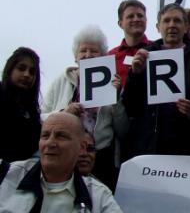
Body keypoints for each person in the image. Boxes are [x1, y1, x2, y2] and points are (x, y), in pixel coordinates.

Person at [0, 112, 152, 213]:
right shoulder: (6, 175)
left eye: (61, 136)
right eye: (45, 136)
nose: (50, 143)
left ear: (81, 147)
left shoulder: (96, 193)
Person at [41, 25, 128, 190]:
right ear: (75, 56)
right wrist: (63, 114)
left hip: (101, 158)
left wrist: (116, 99)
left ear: (103, 56)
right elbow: (42, 117)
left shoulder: (112, 83)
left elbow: (123, 130)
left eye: (94, 51)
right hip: (65, 154)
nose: (88, 55)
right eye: (83, 51)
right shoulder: (62, 81)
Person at [122, 4, 190, 158]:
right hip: (149, 145)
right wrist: (135, 75)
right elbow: (131, 107)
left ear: (186, 26)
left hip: (188, 146)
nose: (172, 25)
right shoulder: (144, 56)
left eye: (177, 21)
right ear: (157, 26)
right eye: (167, 21)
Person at [0, 47, 41, 162]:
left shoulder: (32, 111)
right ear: (10, 69)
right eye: (21, 68)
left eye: (32, 72)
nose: (27, 75)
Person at [109, 0, 151, 87]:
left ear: (146, 20)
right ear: (120, 23)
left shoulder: (158, 50)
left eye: (140, 16)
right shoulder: (109, 57)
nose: (136, 19)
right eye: (130, 16)